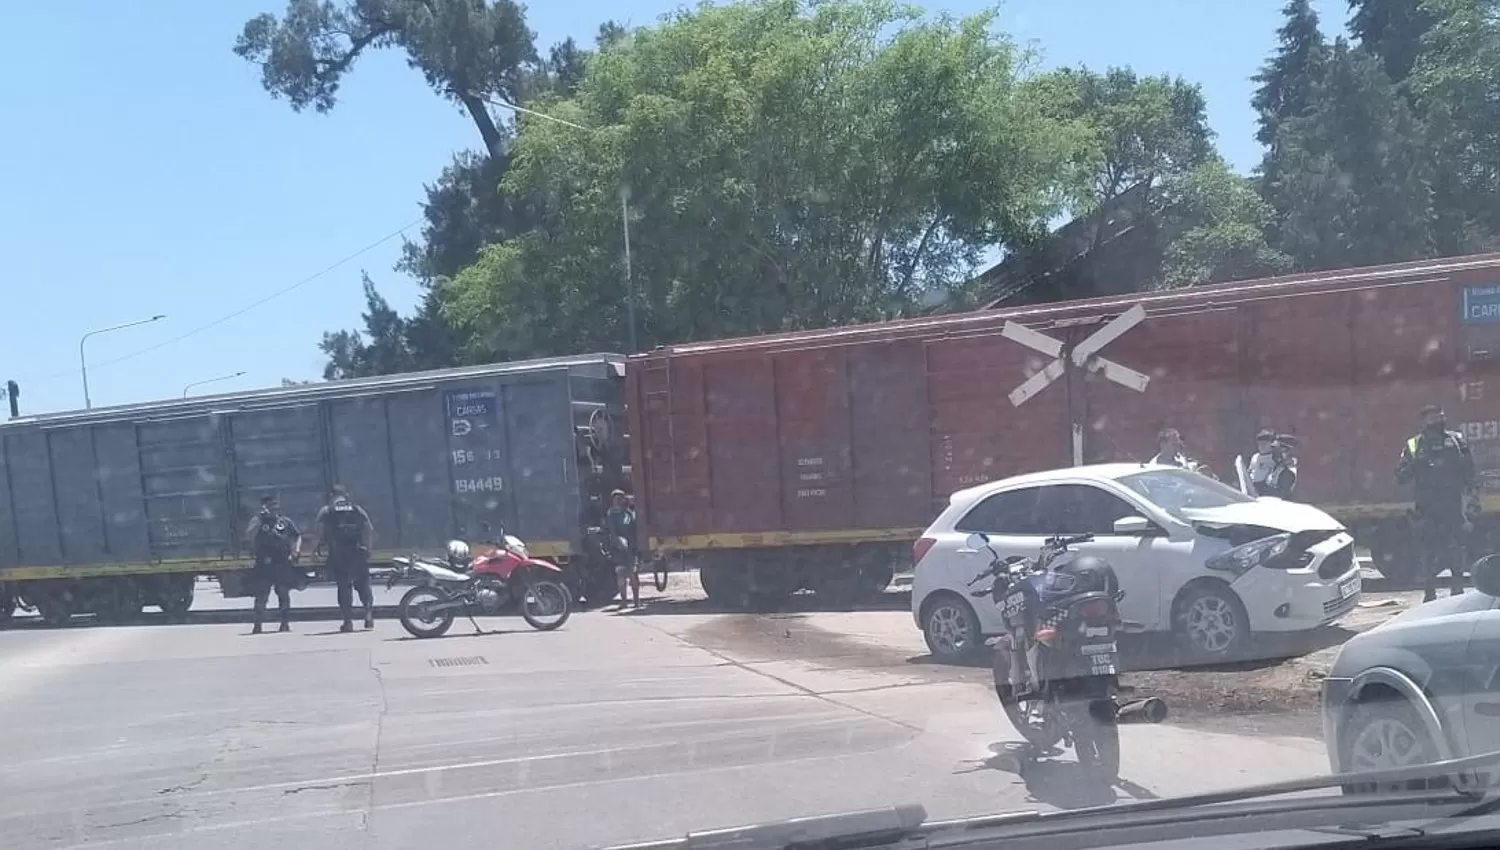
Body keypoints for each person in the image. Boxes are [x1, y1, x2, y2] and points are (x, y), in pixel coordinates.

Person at [1397, 404, 1476, 602]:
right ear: (1423, 421)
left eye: (1440, 417)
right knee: (1428, 552)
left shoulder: (1456, 441)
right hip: (1427, 508)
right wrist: (1414, 465)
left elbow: (1470, 473)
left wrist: (1473, 500)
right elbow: (1400, 477)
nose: (1438, 421)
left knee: (1456, 550)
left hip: (1452, 506)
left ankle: (1457, 592)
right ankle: (1429, 594)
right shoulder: (1414, 445)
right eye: (1432, 418)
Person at [314, 485, 376, 631]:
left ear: (331, 497)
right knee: (363, 585)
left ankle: (348, 621)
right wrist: (368, 548)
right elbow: (369, 529)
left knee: (344, 587)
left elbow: (318, 531)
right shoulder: (357, 509)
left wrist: (316, 550)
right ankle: (368, 614)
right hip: (358, 552)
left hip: (338, 554)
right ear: (345, 495)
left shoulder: (326, 511)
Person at [246, 494, 301, 634]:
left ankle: (285, 623)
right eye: (270, 506)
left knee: (283, 593)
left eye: (275, 506)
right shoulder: (258, 521)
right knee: (262, 595)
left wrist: (296, 550)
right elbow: (249, 535)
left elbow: (296, 535)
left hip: (281, 563)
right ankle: (258, 624)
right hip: (264, 564)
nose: (274, 509)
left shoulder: (284, 522)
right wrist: (260, 520)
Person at [604, 489, 639, 608]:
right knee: (621, 575)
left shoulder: (629, 513)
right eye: (616, 498)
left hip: (631, 549)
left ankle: (636, 601)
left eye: (620, 498)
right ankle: (624, 601)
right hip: (618, 549)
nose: (618, 501)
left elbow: (635, 527)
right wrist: (618, 541)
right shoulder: (611, 514)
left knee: (633, 574)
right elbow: (611, 532)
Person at [1248, 429, 1298, 499]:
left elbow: (1281, 495)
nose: (1272, 451)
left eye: (1275, 448)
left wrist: (1258, 487)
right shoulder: (1278, 466)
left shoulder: (1288, 472)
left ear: (1284, 451)